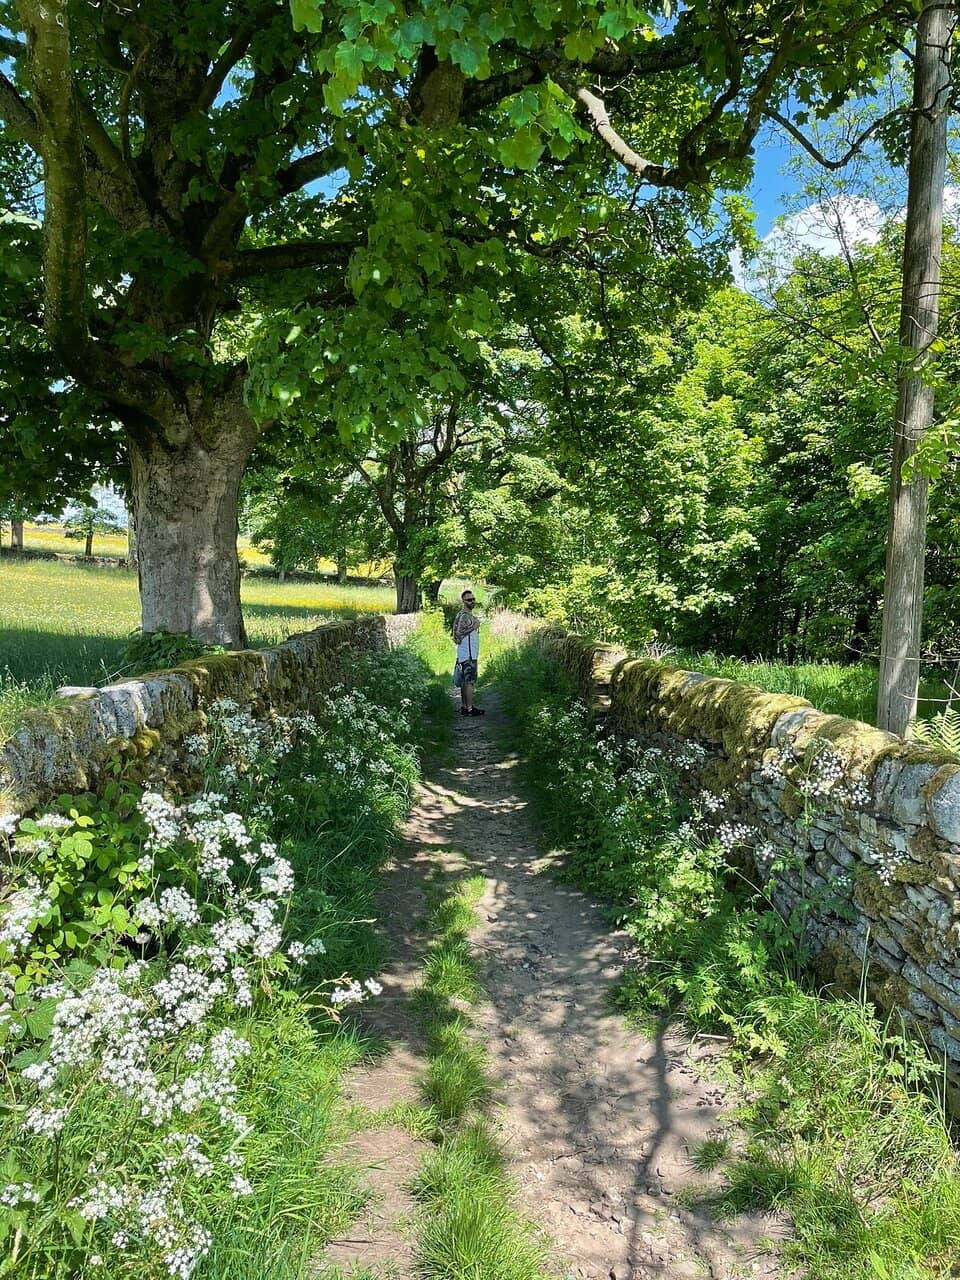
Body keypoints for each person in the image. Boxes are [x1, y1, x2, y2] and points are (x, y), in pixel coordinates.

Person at [452, 588, 484, 716]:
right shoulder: (464, 616)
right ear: (463, 601)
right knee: (469, 682)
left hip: (466, 653)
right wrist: (474, 626)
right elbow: (457, 635)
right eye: (469, 600)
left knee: (465, 682)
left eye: (473, 599)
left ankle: (465, 707)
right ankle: (470, 709)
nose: (472, 602)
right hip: (468, 654)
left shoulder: (462, 615)